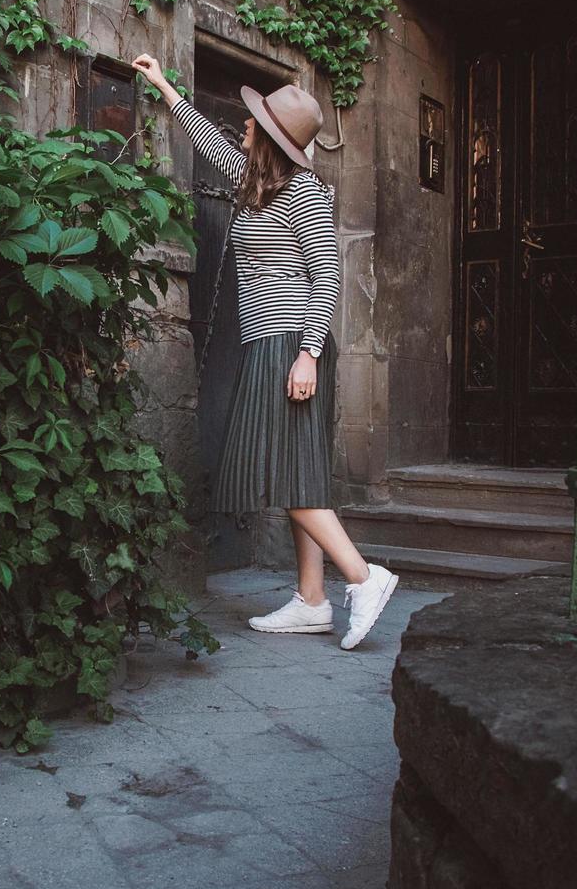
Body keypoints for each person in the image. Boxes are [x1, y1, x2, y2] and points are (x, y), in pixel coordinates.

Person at [130, 54, 398, 650]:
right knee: (297, 473)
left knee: (281, 476)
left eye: (254, 122)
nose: (244, 127)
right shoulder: (255, 181)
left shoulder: (306, 192)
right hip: (266, 346)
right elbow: (204, 137)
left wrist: (306, 354)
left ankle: (363, 576)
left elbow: (325, 277)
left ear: (275, 136)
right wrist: (160, 83)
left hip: (290, 347)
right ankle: (311, 600)